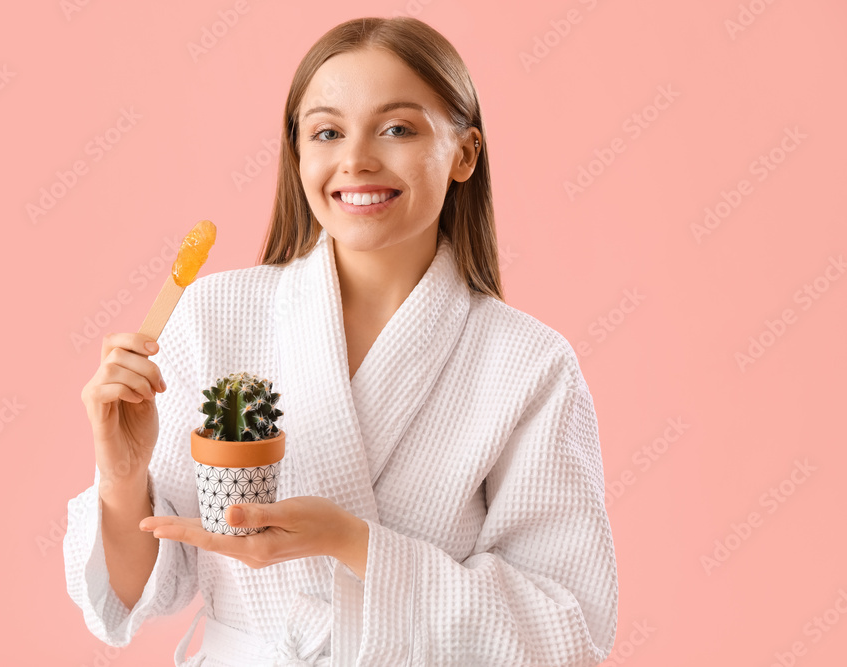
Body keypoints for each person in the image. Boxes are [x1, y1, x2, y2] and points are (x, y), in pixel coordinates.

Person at [64, 16, 618, 666]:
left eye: (397, 129)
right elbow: (134, 588)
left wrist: (354, 542)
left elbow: (566, 630)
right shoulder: (215, 314)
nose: (355, 158)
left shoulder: (530, 364)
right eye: (327, 131)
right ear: (299, 152)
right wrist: (123, 477)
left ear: (465, 152)